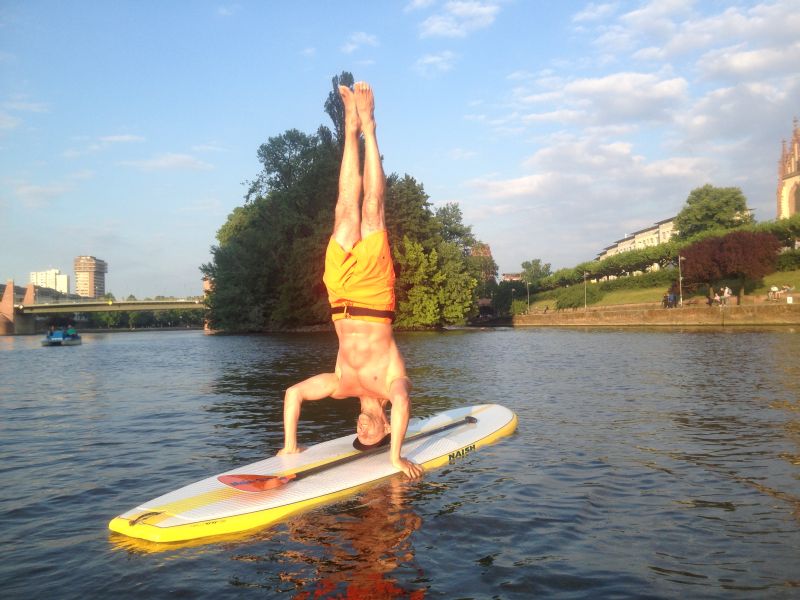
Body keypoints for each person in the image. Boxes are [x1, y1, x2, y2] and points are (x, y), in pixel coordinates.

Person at [277, 82, 423, 479]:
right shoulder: (392, 383)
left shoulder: (342, 385)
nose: (362, 432)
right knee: (372, 209)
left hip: (339, 294)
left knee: (345, 209)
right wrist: (395, 458)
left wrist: (290, 446)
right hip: (375, 296)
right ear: (386, 428)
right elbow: (404, 404)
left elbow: (293, 394)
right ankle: (370, 129)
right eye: (370, 436)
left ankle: (349, 129)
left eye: (359, 436)